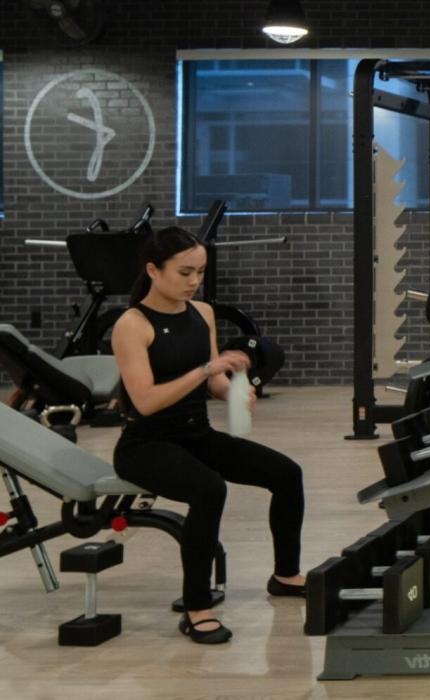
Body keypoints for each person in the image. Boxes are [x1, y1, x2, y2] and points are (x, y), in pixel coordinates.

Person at [110, 227, 307, 644]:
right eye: (184, 272)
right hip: (146, 444)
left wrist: (235, 388)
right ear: (152, 270)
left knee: (286, 474)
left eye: (199, 271)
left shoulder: (201, 314)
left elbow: (211, 383)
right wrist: (205, 372)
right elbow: (144, 401)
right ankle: (197, 607)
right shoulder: (132, 324)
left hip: (196, 434)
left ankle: (286, 576)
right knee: (209, 489)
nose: (194, 280)